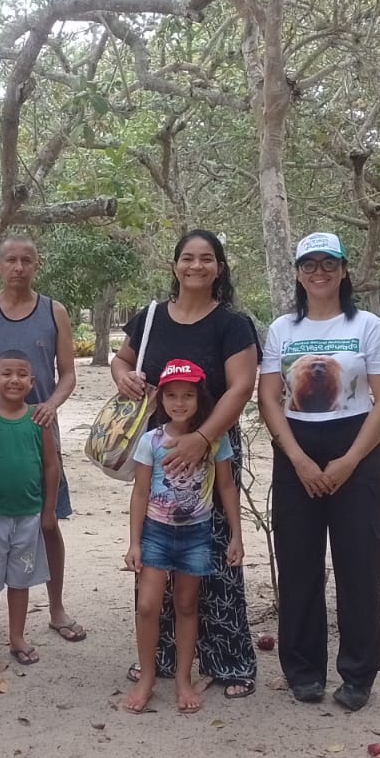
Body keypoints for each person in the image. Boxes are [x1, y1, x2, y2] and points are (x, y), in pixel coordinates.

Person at [110, 230, 259, 697]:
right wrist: (125, 380)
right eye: (188, 258)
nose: (197, 266)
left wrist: (202, 438)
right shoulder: (151, 316)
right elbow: (121, 362)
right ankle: (156, 660)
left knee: (211, 565)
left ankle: (228, 662)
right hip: (159, 452)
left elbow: (240, 387)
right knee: (156, 563)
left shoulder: (232, 324)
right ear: (175, 266)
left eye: (207, 259)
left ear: (219, 267)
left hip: (211, 455)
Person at [257, 232, 380, 712]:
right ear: (297, 272)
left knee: (360, 565)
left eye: (329, 263)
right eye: (309, 264)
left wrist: (350, 460)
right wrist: (296, 457)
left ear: (343, 270)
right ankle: (304, 671)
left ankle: (358, 675)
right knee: (299, 564)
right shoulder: (282, 329)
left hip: (354, 446)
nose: (319, 272)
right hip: (296, 445)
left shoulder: (367, 326)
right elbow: (269, 400)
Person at [0, 235, 83, 647]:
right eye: (11, 260)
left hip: (38, 427)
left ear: (37, 265)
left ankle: (57, 605)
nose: (19, 267)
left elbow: (67, 374)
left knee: (47, 519)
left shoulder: (54, 312)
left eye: (27, 260)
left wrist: (51, 405)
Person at [123, 360, 243, 715]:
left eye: (187, 396)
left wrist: (236, 535)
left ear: (198, 398)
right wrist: (134, 542)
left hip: (196, 534)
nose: (179, 403)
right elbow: (140, 493)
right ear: (161, 399)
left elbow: (226, 486)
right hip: (156, 534)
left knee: (187, 606)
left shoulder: (213, 441)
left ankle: (182, 678)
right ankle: (147, 678)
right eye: (172, 396)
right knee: (147, 606)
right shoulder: (151, 441)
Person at [0, 349, 59, 670]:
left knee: (20, 580)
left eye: (21, 374)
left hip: (29, 516)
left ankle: (17, 636)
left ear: (32, 382)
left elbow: (50, 467)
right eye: (6, 374)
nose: (13, 380)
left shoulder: (39, 419)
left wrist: (49, 510)